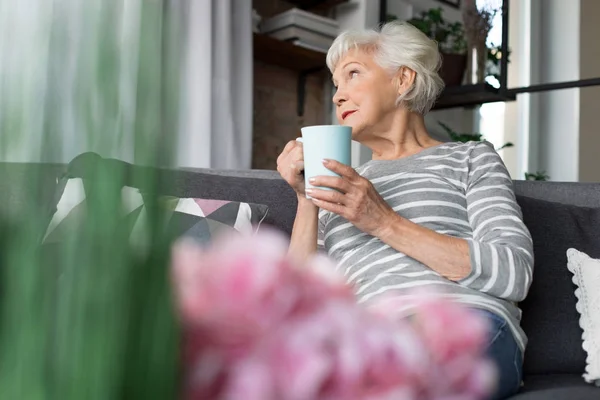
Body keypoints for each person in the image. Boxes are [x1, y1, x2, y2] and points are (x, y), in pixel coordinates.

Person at [276, 21, 533, 399]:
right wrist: (305, 198)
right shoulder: (342, 188)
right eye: (335, 84)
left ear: (404, 80)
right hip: (367, 336)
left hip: (459, 323)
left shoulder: (470, 158)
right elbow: (294, 309)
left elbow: (513, 272)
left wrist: (383, 221)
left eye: (352, 75)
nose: (337, 97)